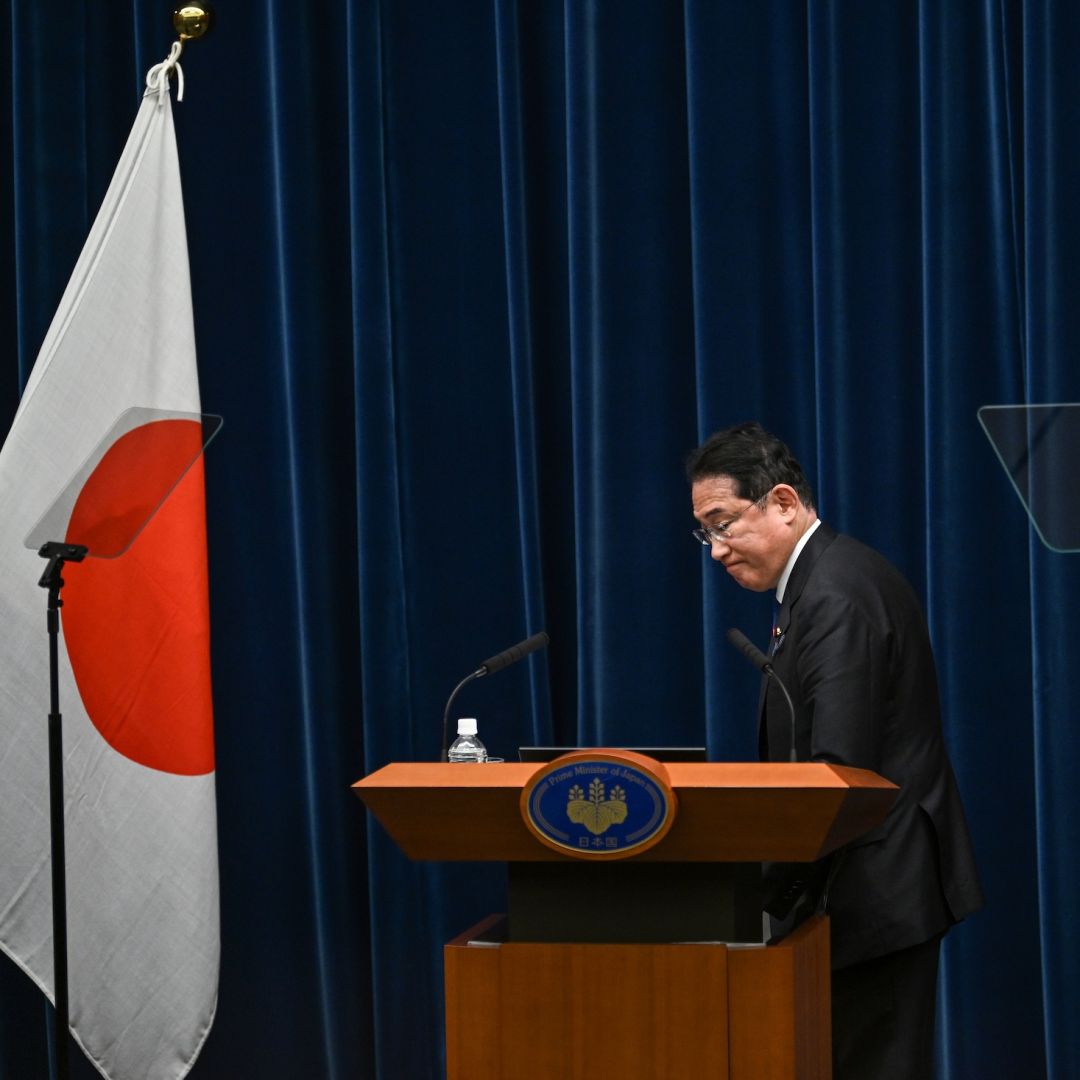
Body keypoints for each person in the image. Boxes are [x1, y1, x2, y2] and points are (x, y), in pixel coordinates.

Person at [687, 421, 983, 1080]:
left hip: (874, 899)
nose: (716, 550)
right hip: (867, 892)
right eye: (705, 531)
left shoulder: (836, 595)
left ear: (785, 503)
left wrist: (762, 901)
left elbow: (836, 777)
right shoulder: (823, 582)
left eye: (725, 523)